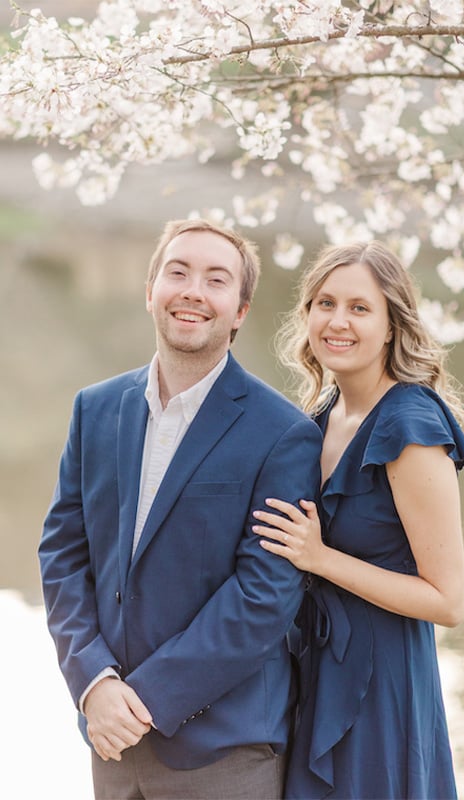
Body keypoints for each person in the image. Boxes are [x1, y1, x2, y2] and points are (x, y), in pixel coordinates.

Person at [38, 218, 322, 800]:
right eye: (178, 272)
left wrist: (143, 701)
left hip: (222, 753)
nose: (193, 290)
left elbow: (264, 596)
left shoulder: (283, 434)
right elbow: (63, 556)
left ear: (239, 311)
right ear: (150, 291)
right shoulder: (94, 410)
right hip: (110, 741)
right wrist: (94, 684)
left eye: (216, 280)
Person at [251, 240, 464, 799]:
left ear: (391, 324)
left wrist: (321, 558)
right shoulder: (322, 417)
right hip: (317, 671)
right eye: (324, 303)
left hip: (382, 687)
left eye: (360, 308)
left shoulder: (410, 425)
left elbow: (448, 601)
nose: (338, 321)